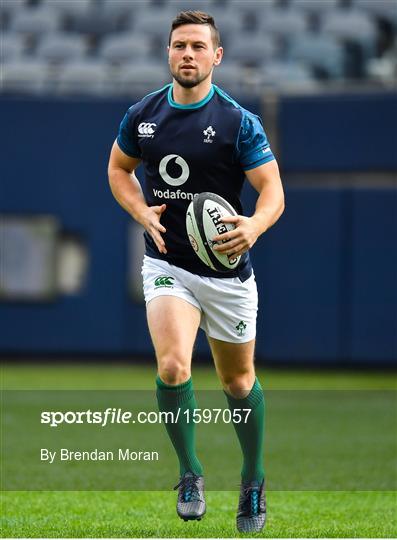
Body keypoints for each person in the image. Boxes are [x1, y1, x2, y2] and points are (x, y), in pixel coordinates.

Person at [108, 10, 284, 533]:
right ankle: (190, 471)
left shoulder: (237, 122)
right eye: (179, 45)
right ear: (168, 53)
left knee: (237, 381)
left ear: (217, 56)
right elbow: (119, 169)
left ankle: (252, 480)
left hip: (227, 272)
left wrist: (254, 226)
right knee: (173, 368)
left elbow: (273, 191)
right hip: (168, 263)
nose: (188, 54)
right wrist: (139, 211)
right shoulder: (143, 114)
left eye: (198, 47)